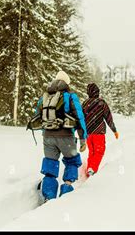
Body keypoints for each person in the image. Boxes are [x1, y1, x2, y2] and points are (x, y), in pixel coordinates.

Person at [32, 70, 88, 203]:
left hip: (48, 137)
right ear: (67, 83)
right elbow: (79, 117)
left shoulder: (44, 97)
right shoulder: (70, 96)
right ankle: (66, 192)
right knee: (72, 161)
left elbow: (37, 116)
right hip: (66, 137)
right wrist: (82, 139)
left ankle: (49, 197)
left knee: (50, 164)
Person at [82, 83, 119, 177]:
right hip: (99, 133)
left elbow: (80, 119)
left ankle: (89, 170)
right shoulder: (101, 103)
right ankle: (92, 169)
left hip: (88, 133)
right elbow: (108, 118)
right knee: (99, 151)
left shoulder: (85, 103)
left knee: (92, 152)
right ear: (97, 92)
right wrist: (114, 130)